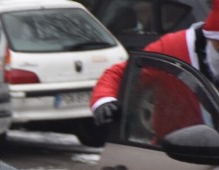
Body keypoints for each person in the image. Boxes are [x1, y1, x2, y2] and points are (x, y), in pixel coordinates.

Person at [91, 3, 219, 128]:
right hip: (171, 146)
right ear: (210, 37)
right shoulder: (173, 48)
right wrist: (104, 100)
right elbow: (121, 75)